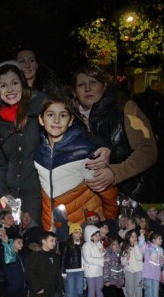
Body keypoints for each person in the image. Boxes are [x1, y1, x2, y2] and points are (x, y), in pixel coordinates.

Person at [35, 94, 119, 237]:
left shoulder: (84, 152)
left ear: (71, 120)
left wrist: (109, 226)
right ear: (41, 119)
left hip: (84, 231)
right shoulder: (38, 154)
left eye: (63, 115)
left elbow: (109, 194)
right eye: (50, 114)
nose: (56, 120)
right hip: (52, 232)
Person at [72, 64, 159, 203]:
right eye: (81, 84)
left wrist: (115, 173)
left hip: (132, 197)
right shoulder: (68, 118)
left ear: (104, 86)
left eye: (93, 82)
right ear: (75, 91)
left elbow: (148, 151)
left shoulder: (125, 108)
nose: (87, 88)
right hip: (89, 202)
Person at [0, 62, 47, 223]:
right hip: (11, 193)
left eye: (15, 83)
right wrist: (1, 193)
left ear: (23, 84)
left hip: (36, 191)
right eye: (3, 85)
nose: (10, 90)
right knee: (13, 240)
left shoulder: (39, 109)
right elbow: (1, 163)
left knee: (34, 237)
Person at [26, 232, 63, 297]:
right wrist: (37, 288)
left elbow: (57, 271)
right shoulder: (35, 255)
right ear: (44, 241)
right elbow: (29, 272)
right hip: (42, 290)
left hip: (54, 289)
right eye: (51, 240)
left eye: (55, 241)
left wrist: (61, 286)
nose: (54, 243)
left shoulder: (55, 255)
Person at [83, 225, 106, 297]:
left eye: (99, 236)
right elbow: (88, 259)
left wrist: (102, 253)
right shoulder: (86, 246)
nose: (98, 237)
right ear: (90, 236)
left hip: (99, 272)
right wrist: (102, 260)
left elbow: (100, 256)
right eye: (96, 236)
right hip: (90, 273)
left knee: (100, 290)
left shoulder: (99, 244)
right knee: (92, 292)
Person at [63, 223, 86, 297]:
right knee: (70, 291)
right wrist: (63, 272)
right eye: (76, 232)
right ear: (71, 233)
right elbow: (63, 259)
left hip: (81, 270)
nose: (79, 235)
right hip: (70, 271)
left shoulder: (83, 244)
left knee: (80, 291)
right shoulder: (67, 245)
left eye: (80, 233)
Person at [139, 231, 164, 297]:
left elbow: (161, 263)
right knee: (148, 294)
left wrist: (163, 260)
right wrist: (141, 235)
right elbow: (141, 246)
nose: (161, 240)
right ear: (153, 240)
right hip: (148, 275)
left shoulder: (161, 250)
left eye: (161, 238)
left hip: (156, 275)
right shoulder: (148, 247)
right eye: (159, 238)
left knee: (155, 296)